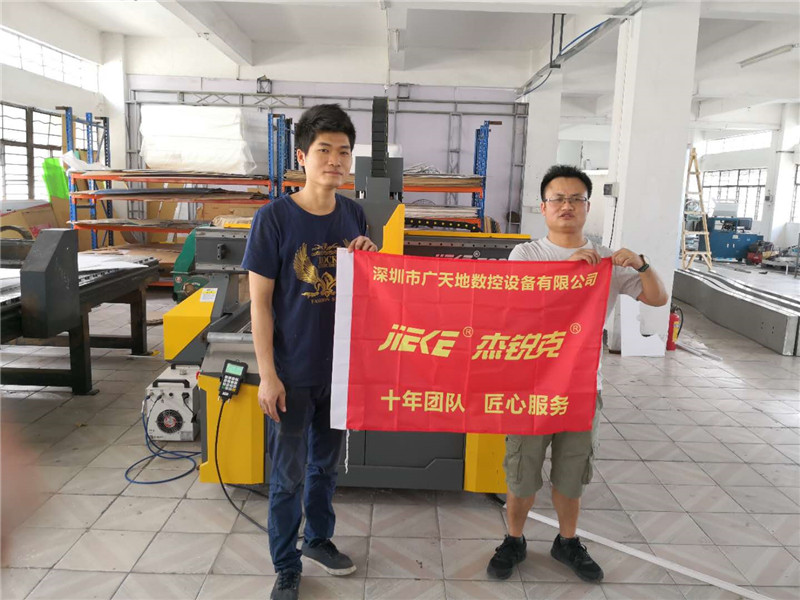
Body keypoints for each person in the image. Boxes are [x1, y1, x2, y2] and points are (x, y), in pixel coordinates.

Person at [487, 164, 668, 583]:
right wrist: (565, 272)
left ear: (587, 206)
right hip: (531, 387)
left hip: (582, 389)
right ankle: (514, 539)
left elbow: (658, 299)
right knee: (521, 472)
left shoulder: (608, 260)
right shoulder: (527, 256)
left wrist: (642, 265)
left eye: (575, 199)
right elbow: (515, 312)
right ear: (544, 207)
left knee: (572, 475)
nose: (566, 206)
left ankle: (567, 541)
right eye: (557, 199)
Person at [242, 104, 378, 600]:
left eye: (344, 151)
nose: (335, 160)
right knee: (287, 475)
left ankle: (318, 539)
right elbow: (260, 305)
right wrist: (268, 375)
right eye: (324, 150)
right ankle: (286, 564)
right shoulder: (273, 219)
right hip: (291, 371)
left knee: (325, 466)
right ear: (302, 156)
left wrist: (370, 259)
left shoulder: (353, 214)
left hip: (339, 370)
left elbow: (366, 294)